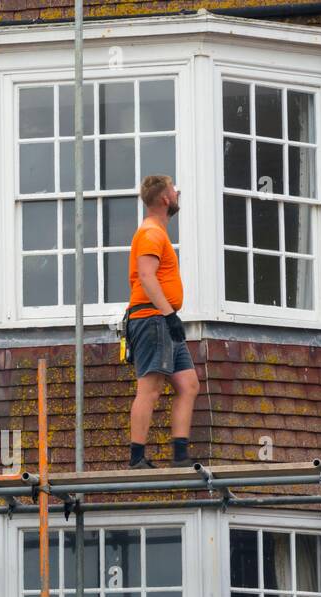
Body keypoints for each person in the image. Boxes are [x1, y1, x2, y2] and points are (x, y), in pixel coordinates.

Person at [123, 174, 201, 469]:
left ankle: (180, 456)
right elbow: (146, 275)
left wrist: (170, 316)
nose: (177, 193)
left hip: (163, 318)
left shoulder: (157, 232)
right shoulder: (151, 233)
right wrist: (169, 315)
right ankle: (137, 457)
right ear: (166, 198)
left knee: (188, 384)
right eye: (174, 189)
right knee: (150, 389)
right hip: (153, 318)